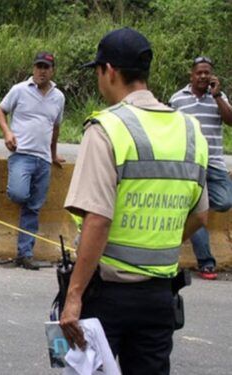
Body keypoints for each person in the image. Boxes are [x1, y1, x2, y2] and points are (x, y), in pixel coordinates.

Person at [60, 27, 209, 374]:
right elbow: (201, 217)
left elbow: (97, 218)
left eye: (97, 71)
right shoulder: (190, 131)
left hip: (108, 294)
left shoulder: (106, 128)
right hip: (160, 296)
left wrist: (74, 296)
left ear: (109, 71)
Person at [0, 51, 65, 270]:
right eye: (38, 67)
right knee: (19, 193)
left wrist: (53, 154)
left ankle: (25, 254)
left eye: (46, 67)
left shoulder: (58, 97)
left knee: (33, 208)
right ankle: (24, 251)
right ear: (33, 68)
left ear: (52, 70)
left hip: (43, 159)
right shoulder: (19, 90)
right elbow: (1, 111)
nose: (41, 71)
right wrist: (7, 133)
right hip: (22, 154)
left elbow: (55, 128)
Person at [168, 56, 232, 280]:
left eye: (207, 73)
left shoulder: (218, 97)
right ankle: (206, 263)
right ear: (191, 75)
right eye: (199, 72)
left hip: (213, 162)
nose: (203, 76)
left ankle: (190, 212)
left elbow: (230, 120)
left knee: (225, 201)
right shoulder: (177, 99)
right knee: (199, 211)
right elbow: (170, 129)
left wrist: (216, 96)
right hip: (190, 164)